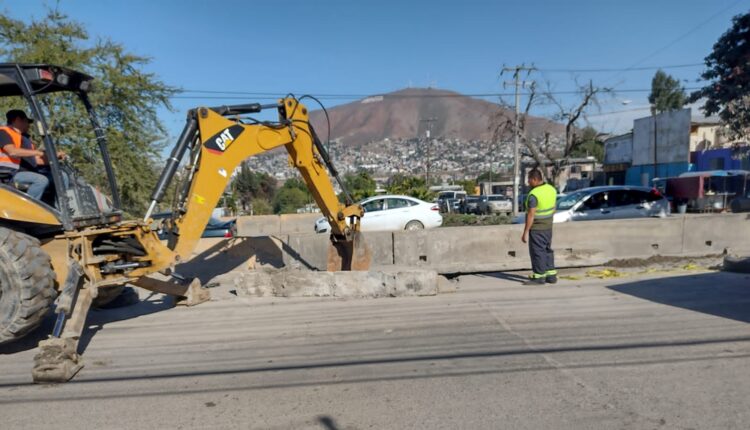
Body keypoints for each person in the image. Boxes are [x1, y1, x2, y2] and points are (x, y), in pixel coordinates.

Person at [0, 110, 64, 200]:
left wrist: (53, 157)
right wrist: (38, 152)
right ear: (18, 120)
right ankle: (26, 210)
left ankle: (57, 209)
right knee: (40, 180)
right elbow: (12, 152)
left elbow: (34, 159)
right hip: (6, 174)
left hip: (12, 173)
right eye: (27, 122)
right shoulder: (3, 132)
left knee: (60, 176)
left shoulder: (20, 137)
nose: (28, 125)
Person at [521, 169, 558, 285]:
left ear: (535, 179)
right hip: (548, 226)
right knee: (547, 250)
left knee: (537, 252)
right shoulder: (551, 189)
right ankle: (551, 275)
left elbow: (531, 214)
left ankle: (539, 276)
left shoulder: (534, 195)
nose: (528, 182)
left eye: (529, 180)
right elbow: (554, 208)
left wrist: (525, 232)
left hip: (537, 228)